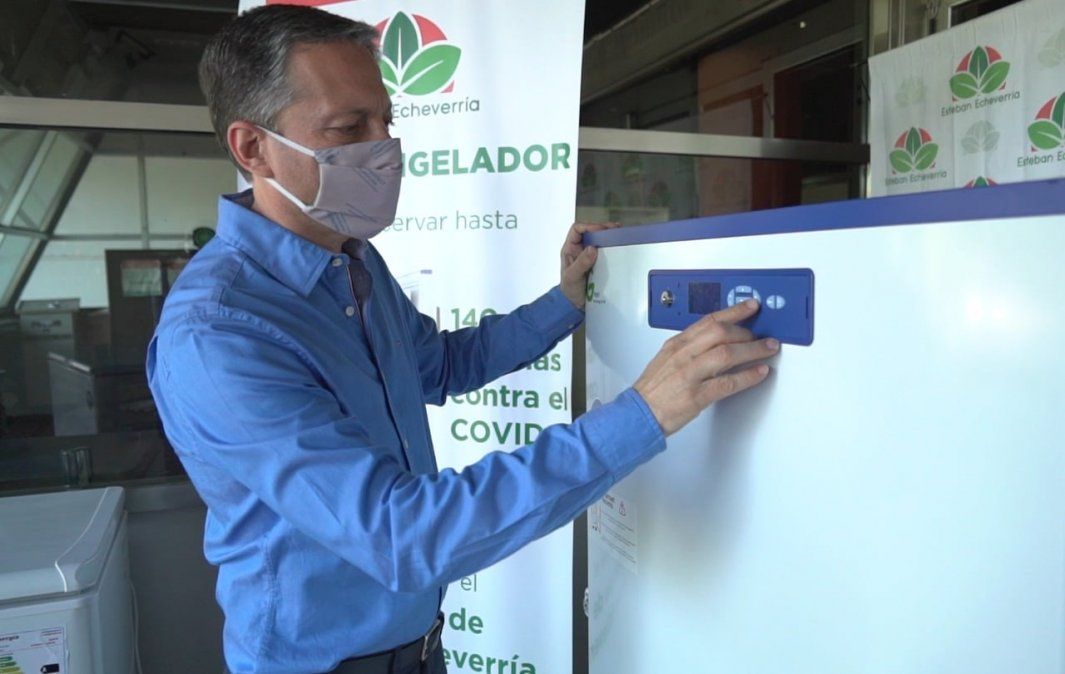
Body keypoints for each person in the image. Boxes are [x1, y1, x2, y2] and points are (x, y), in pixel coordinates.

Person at [146, 5, 779, 674]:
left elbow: (439, 364)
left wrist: (563, 302)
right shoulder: (218, 332)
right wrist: (643, 414)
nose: (385, 149)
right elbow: (399, 535)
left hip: (423, 650)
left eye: (386, 122)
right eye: (348, 128)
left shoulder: (351, 259)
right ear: (252, 148)